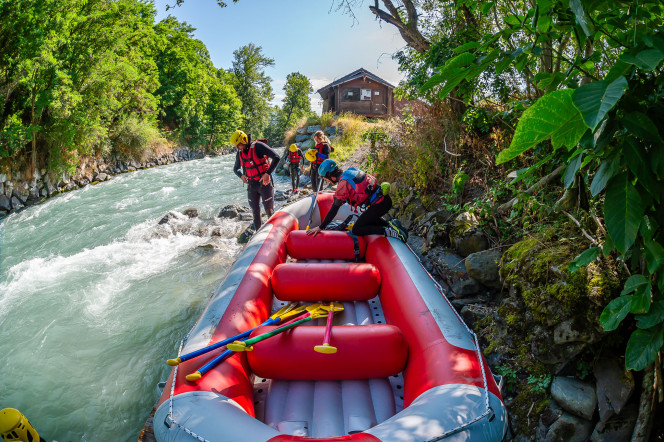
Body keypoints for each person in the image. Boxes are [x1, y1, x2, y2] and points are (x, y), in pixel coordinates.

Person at [306, 159, 407, 241]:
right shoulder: (350, 170)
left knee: (357, 229)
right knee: (366, 219)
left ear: (330, 176)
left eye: (325, 178)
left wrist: (321, 227)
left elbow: (334, 209)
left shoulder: (343, 183)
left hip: (379, 204)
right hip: (384, 200)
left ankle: (390, 231)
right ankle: (393, 225)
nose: (326, 180)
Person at [231, 130, 281, 231]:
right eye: (236, 145)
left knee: (269, 210)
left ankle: (275, 232)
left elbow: (277, 157)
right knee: (255, 211)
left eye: (238, 144)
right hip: (251, 186)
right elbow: (236, 169)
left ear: (244, 140)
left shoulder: (258, 146)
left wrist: (267, 173)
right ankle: (258, 233)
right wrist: (241, 176)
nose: (237, 147)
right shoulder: (239, 153)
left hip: (264, 184)